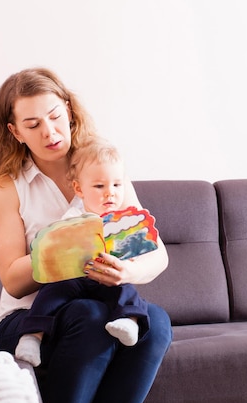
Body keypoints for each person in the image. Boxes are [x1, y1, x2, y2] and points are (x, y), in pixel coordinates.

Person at [0, 67, 172, 403]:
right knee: (88, 313)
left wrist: (124, 271)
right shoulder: (5, 187)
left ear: (68, 109)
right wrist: (64, 254)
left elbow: (156, 254)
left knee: (154, 322)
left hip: (101, 302)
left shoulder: (104, 170)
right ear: (15, 131)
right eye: (33, 125)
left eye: (54, 116)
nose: (49, 132)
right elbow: (13, 281)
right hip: (28, 319)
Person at [14, 140, 152, 367]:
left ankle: (129, 322)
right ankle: (32, 337)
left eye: (117, 185)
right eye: (100, 187)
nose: (110, 193)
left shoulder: (123, 220)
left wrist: (129, 265)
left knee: (127, 289)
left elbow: (137, 253)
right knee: (50, 293)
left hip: (106, 279)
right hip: (74, 280)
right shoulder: (73, 216)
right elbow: (57, 248)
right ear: (79, 189)